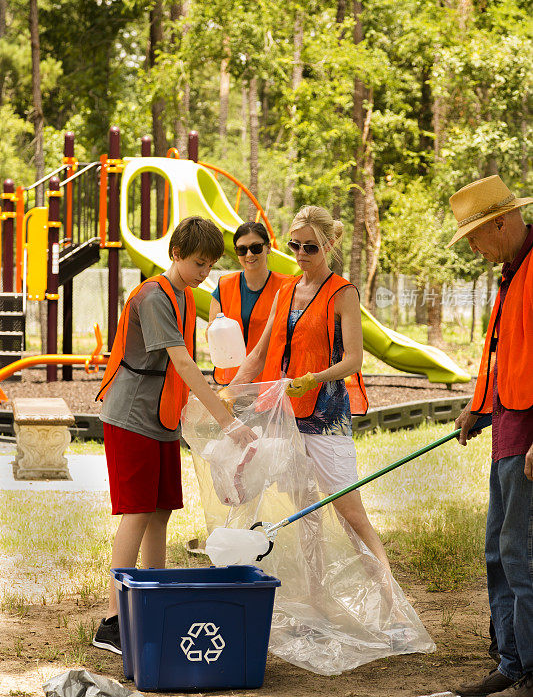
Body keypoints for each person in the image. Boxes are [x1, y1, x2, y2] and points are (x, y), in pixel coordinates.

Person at [92, 216, 256, 655]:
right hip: (131, 417)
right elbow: (184, 365)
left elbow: (187, 371)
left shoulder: (185, 297)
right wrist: (227, 421)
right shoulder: (154, 296)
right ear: (176, 255)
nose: (205, 273)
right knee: (137, 511)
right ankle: (112, 621)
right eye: (198, 263)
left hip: (162, 419)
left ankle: (150, 597)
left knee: (162, 509)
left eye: (210, 266)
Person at [230, 205, 392, 572]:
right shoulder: (285, 290)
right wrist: (227, 392)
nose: (301, 254)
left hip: (326, 418)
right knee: (306, 513)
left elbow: (354, 360)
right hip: (285, 418)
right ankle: (318, 601)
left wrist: (314, 378)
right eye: (295, 246)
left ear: (330, 244)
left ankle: (389, 600)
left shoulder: (342, 293)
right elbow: (258, 353)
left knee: (350, 512)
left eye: (311, 247)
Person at [448, 176, 533, 697]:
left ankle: (525, 665)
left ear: (500, 222)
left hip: (527, 438)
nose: (475, 250)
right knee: (498, 551)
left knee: (520, 551)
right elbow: (506, 352)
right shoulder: (511, 270)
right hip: (506, 427)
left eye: (476, 237)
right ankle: (511, 656)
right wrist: (478, 408)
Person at [208, 221, 288, 385]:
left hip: (271, 381)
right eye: (242, 249)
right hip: (233, 381)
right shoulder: (224, 286)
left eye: (256, 247)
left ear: (268, 247)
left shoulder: (287, 287)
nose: (249, 254)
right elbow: (211, 332)